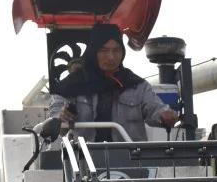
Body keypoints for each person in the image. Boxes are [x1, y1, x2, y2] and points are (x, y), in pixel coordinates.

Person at [47, 23, 179, 142]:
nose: (111, 57)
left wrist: (165, 115)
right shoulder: (71, 85)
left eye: (116, 50)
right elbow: (56, 115)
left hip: (131, 157)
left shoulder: (137, 85)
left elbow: (155, 108)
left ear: (123, 52)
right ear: (93, 52)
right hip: (84, 157)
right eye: (104, 50)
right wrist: (61, 116)